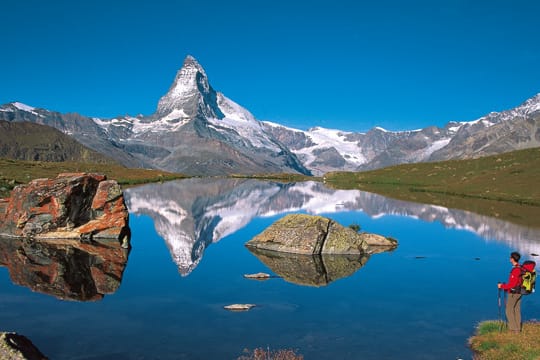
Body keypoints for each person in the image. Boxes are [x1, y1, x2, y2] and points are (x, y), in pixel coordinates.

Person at [498, 251, 523, 332]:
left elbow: (512, 284)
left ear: (512, 259)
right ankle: (518, 328)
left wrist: (501, 286)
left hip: (513, 293)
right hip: (520, 292)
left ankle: (514, 328)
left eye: (510, 257)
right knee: (516, 309)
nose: (509, 258)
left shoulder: (515, 270)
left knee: (508, 310)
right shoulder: (521, 267)